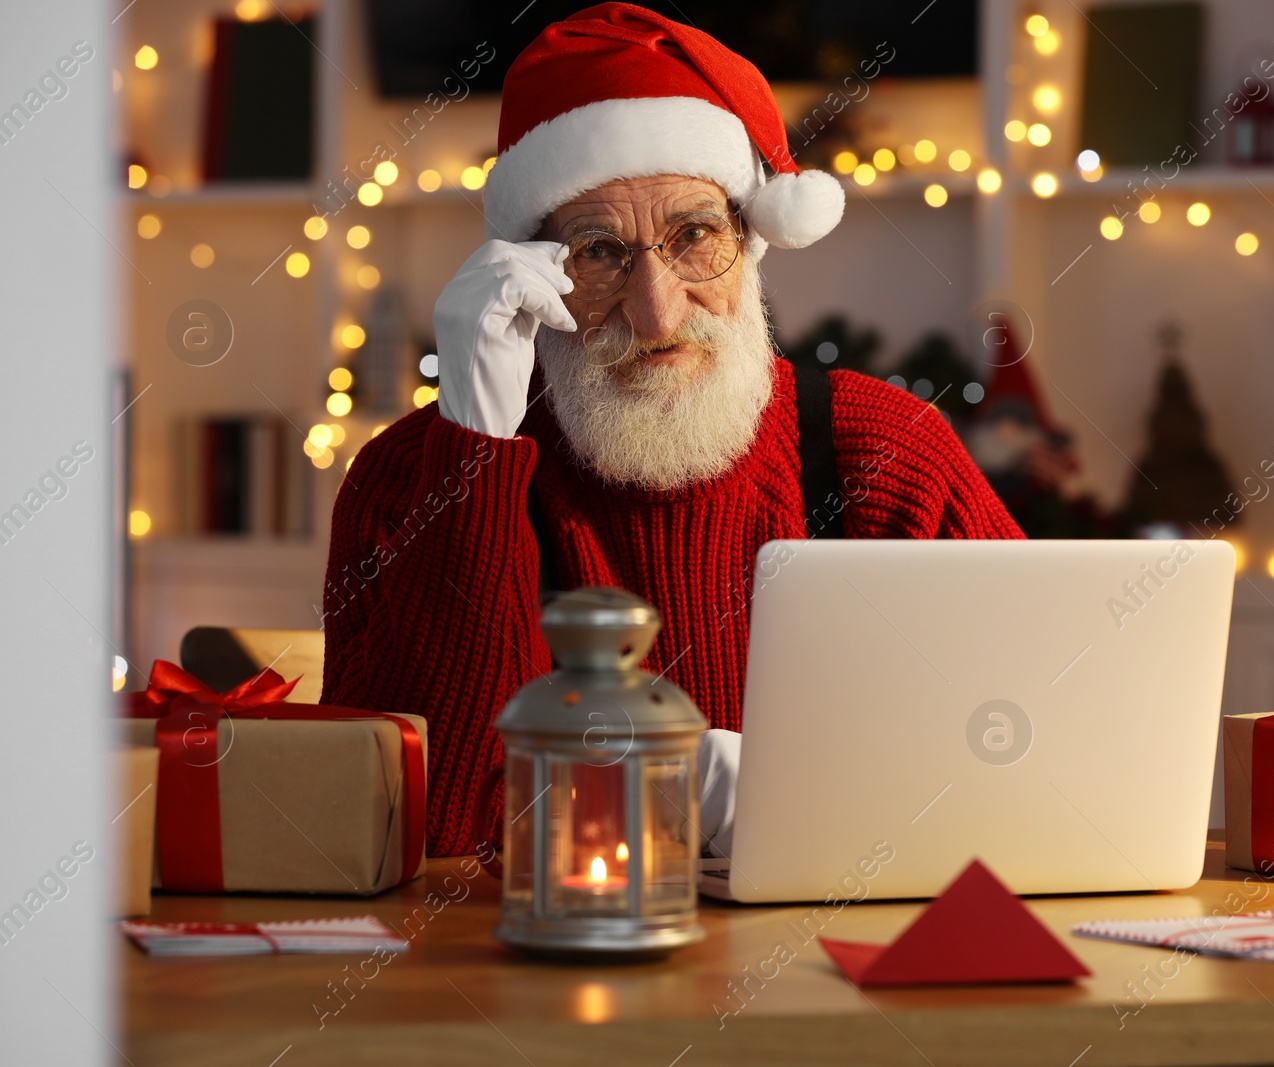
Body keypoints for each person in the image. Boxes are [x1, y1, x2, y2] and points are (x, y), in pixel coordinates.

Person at [320, 3, 1022, 857]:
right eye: (599, 252)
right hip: (524, 981)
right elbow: (410, 834)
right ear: (532, 272)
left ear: (750, 243)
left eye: (693, 236)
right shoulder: (404, 480)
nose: (656, 313)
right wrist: (472, 448)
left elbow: (1021, 763)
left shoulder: (889, 453)